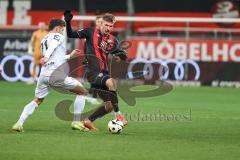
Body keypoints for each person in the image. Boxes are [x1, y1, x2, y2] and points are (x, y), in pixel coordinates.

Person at [12, 19, 97, 132]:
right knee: (83, 92)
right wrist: (46, 57)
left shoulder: (44, 39)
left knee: (37, 99)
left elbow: (54, 56)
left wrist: (69, 56)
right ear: (57, 28)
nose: (62, 32)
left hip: (43, 75)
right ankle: (76, 121)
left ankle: (18, 123)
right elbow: (53, 47)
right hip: (55, 74)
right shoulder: (57, 36)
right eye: (62, 29)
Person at [64, 11, 128, 131]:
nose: (108, 28)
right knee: (111, 83)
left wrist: (121, 56)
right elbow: (71, 34)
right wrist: (68, 22)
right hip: (92, 73)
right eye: (106, 25)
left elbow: (122, 54)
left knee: (108, 106)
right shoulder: (90, 32)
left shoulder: (113, 40)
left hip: (104, 73)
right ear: (101, 24)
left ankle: (88, 121)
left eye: (111, 26)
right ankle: (119, 116)